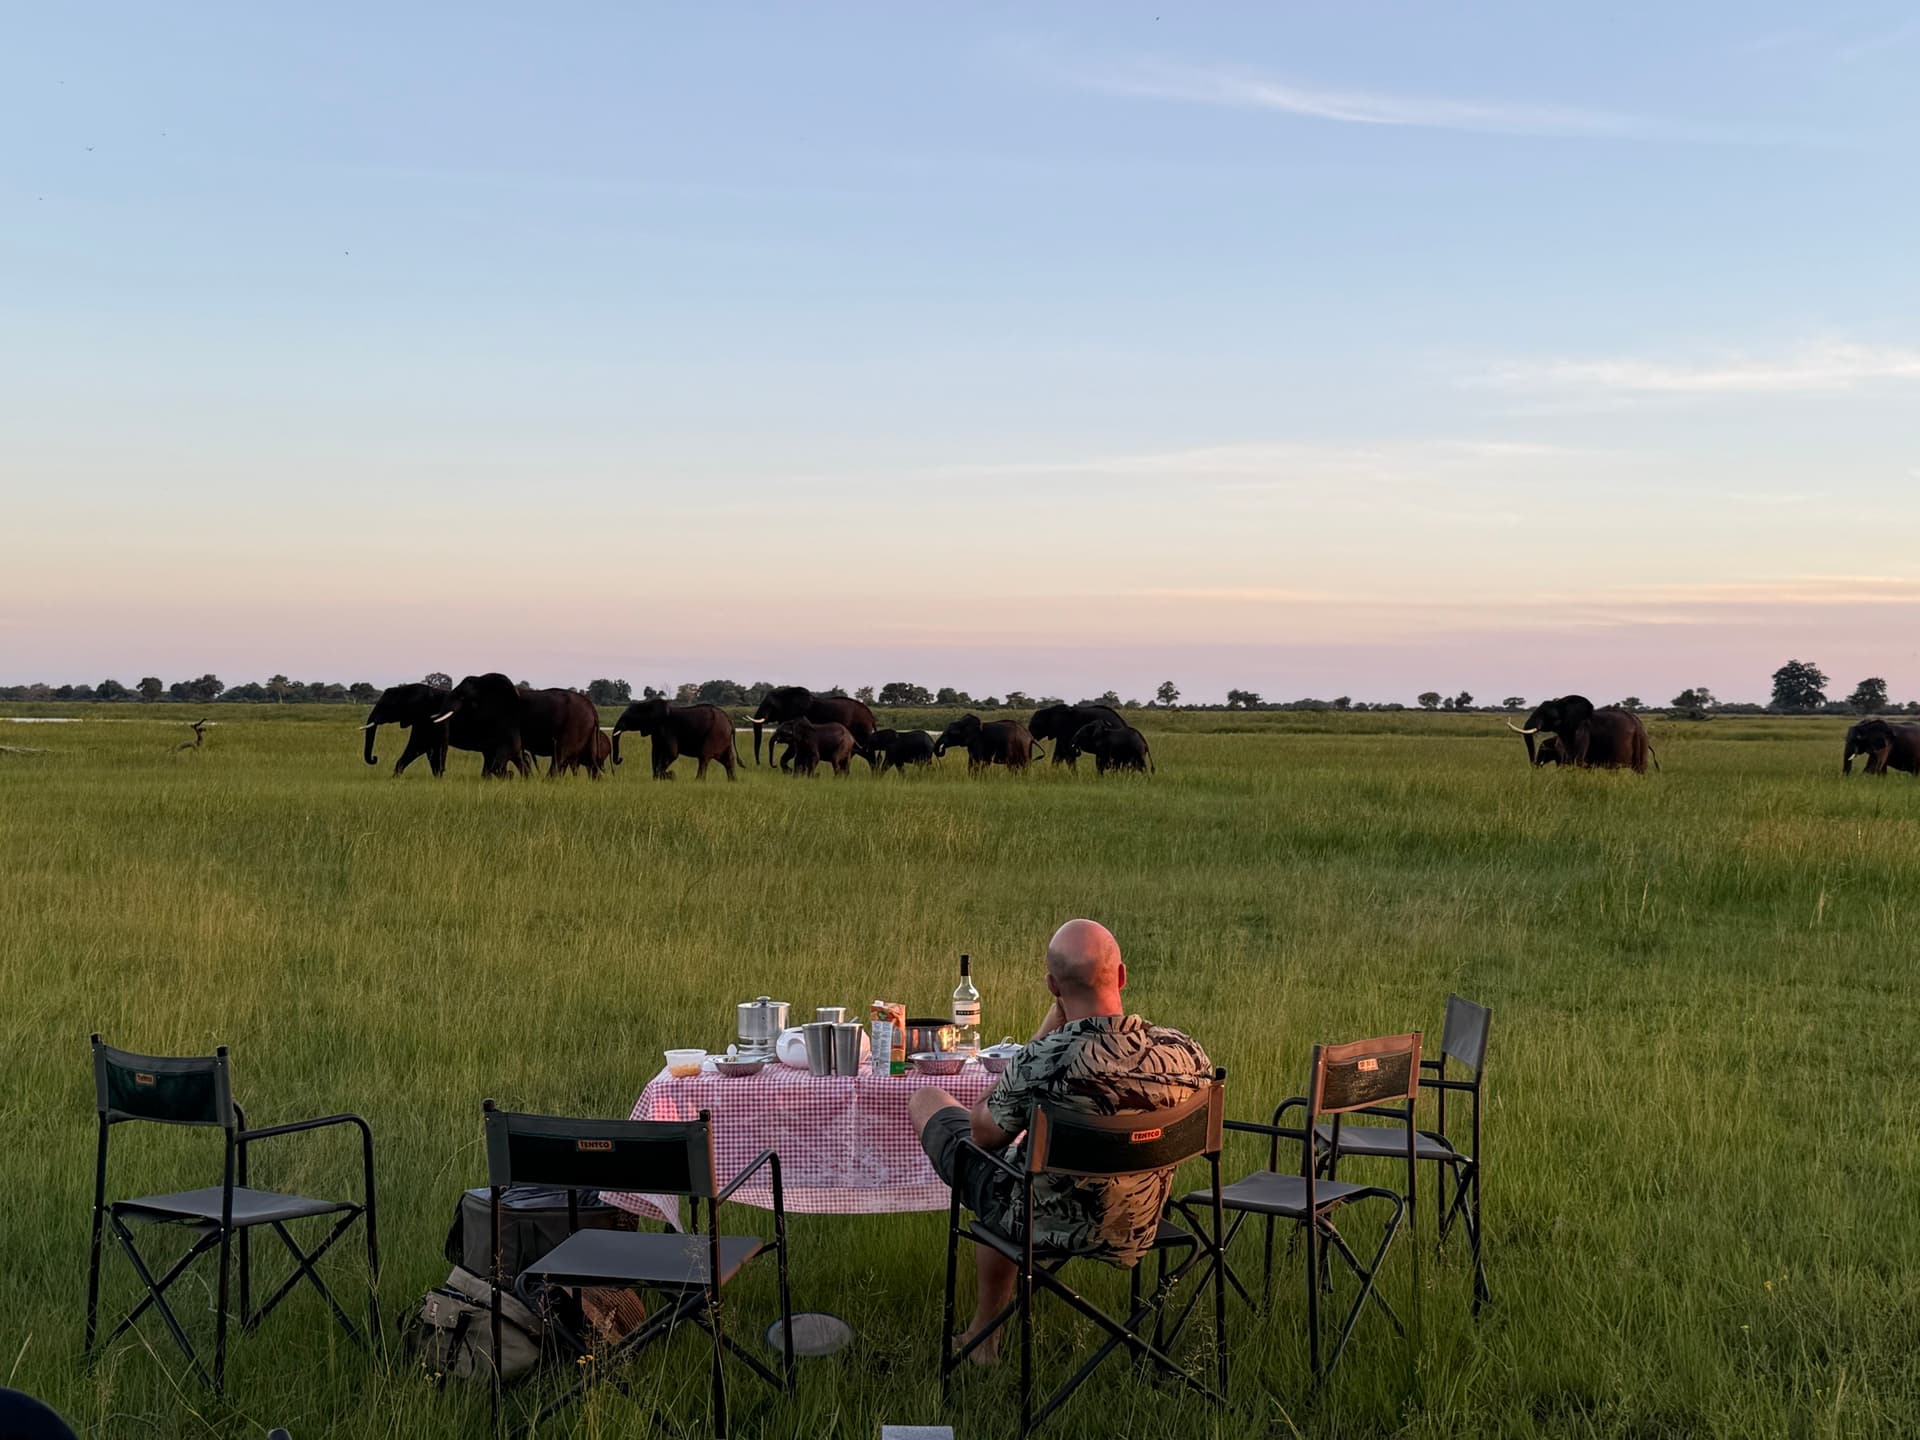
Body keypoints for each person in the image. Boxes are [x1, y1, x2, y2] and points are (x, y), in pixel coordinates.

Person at [910, 918, 1212, 1363]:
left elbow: (983, 1134)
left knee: (929, 1101)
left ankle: (983, 1340)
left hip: (1046, 1224)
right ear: (1122, 975)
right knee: (1017, 1168)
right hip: (1140, 1221)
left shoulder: (1044, 1059)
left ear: (1053, 985)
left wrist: (1040, 1037)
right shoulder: (1185, 1053)